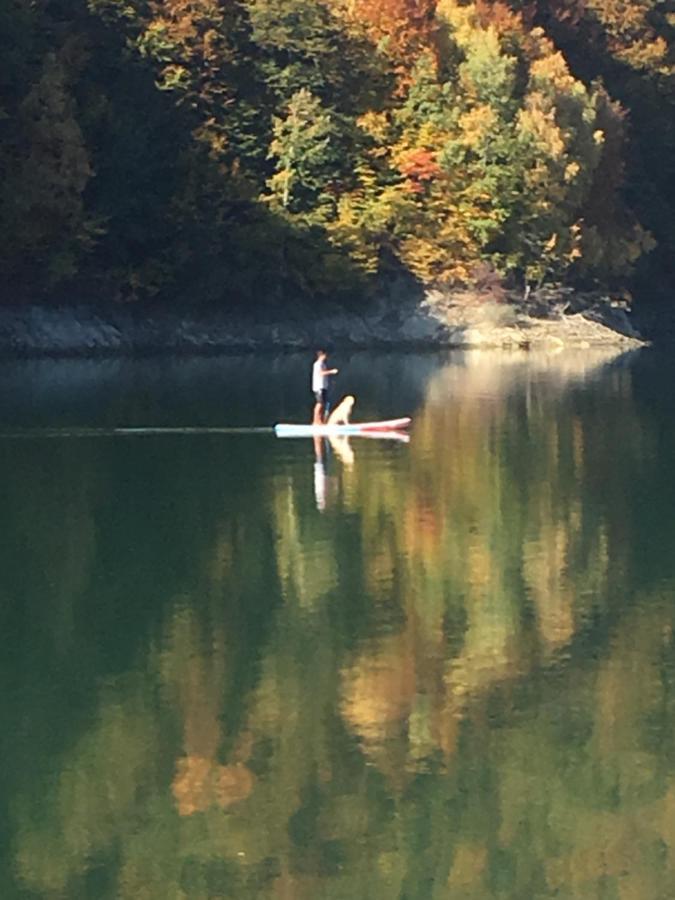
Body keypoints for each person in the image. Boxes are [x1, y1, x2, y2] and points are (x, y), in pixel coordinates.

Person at [312, 349, 338, 425]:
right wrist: (331, 372)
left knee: (323, 404)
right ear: (321, 356)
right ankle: (315, 421)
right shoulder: (317, 364)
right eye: (325, 355)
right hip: (318, 387)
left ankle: (321, 421)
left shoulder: (323, 364)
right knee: (319, 404)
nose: (326, 357)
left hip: (324, 386)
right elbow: (321, 373)